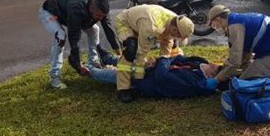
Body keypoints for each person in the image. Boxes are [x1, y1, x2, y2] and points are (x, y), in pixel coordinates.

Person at [39, 0, 121, 89]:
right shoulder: (76, 9)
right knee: (60, 36)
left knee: (95, 29)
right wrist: (78, 66)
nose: (101, 18)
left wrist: (118, 52)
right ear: (91, 8)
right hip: (51, 14)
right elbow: (74, 40)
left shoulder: (100, 8)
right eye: (98, 16)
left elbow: (108, 29)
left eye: (103, 16)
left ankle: (93, 61)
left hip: (68, 13)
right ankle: (54, 76)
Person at [114, 4, 194, 102]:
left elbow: (167, 43)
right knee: (131, 50)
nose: (177, 38)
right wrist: (140, 79)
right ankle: (123, 89)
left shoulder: (175, 20)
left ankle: (111, 60)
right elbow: (142, 53)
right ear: (174, 29)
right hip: (125, 22)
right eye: (178, 35)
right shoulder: (152, 28)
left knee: (158, 51)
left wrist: (164, 59)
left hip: (142, 23)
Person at [207, 5, 270, 84]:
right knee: (245, 72)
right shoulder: (238, 19)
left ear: (218, 19)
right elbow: (244, 56)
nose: (216, 28)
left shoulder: (235, 27)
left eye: (214, 25)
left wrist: (216, 79)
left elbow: (235, 63)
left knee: (244, 82)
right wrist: (225, 69)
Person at [85, 55, 219, 99]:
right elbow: (178, 57)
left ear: (210, 76)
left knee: (114, 74)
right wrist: (161, 61)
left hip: (146, 81)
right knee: (131, 60)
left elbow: (163, 76)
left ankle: (88, 69)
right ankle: (108, 58)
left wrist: (163, 59)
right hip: (150, 70)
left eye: (216, 67)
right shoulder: (200, 63)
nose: (214, 64)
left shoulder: (194, 83)